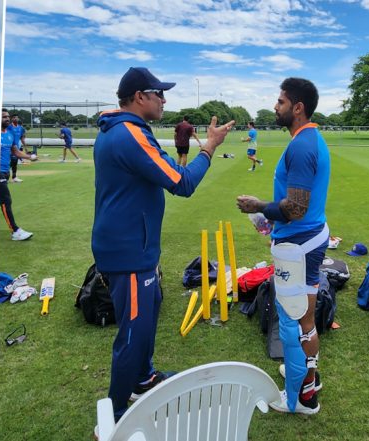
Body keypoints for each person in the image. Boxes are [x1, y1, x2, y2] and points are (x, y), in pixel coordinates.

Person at [92, 67, 234, 421]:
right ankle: (116, 414)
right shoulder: (128, 134)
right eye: (159, 93)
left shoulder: (125, 130)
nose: (164, 100)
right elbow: (181, 182)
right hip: (128, 251)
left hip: (133, 245)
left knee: (151, 307)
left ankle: (143, 377)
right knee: (134, 333)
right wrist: (210, 148)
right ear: (140, 97)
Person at [237, 77, 329, 415]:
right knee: (302, 317)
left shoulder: (304, 145)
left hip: (299, 246)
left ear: (297, 107)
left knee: (294, 320)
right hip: (304, 240)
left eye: (280, 102)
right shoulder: (306, 139)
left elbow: (296, 208)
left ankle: (300, 399)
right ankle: (308, 377)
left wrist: (259, 206)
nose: (276, 107)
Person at [0, 109, 37, 241]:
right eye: (4, 117)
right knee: (5, 201)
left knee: (3, 202)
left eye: (8, 116)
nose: (7, 119)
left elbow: (15, 151)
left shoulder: (9, 134)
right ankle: (15, 231)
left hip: (5, 171)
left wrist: (29, 157)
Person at [9, 115, 27, 182]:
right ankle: (3, 177)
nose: (16, 118)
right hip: (8, 148)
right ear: (11, 119)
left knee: (14, 163)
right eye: (14, 117)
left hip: (16, 148)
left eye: (17, 117)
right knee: (8, 163)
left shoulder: (20, 128)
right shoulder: (9, 127)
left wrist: (25, 148)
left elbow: (22, 138)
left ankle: (14, 177)